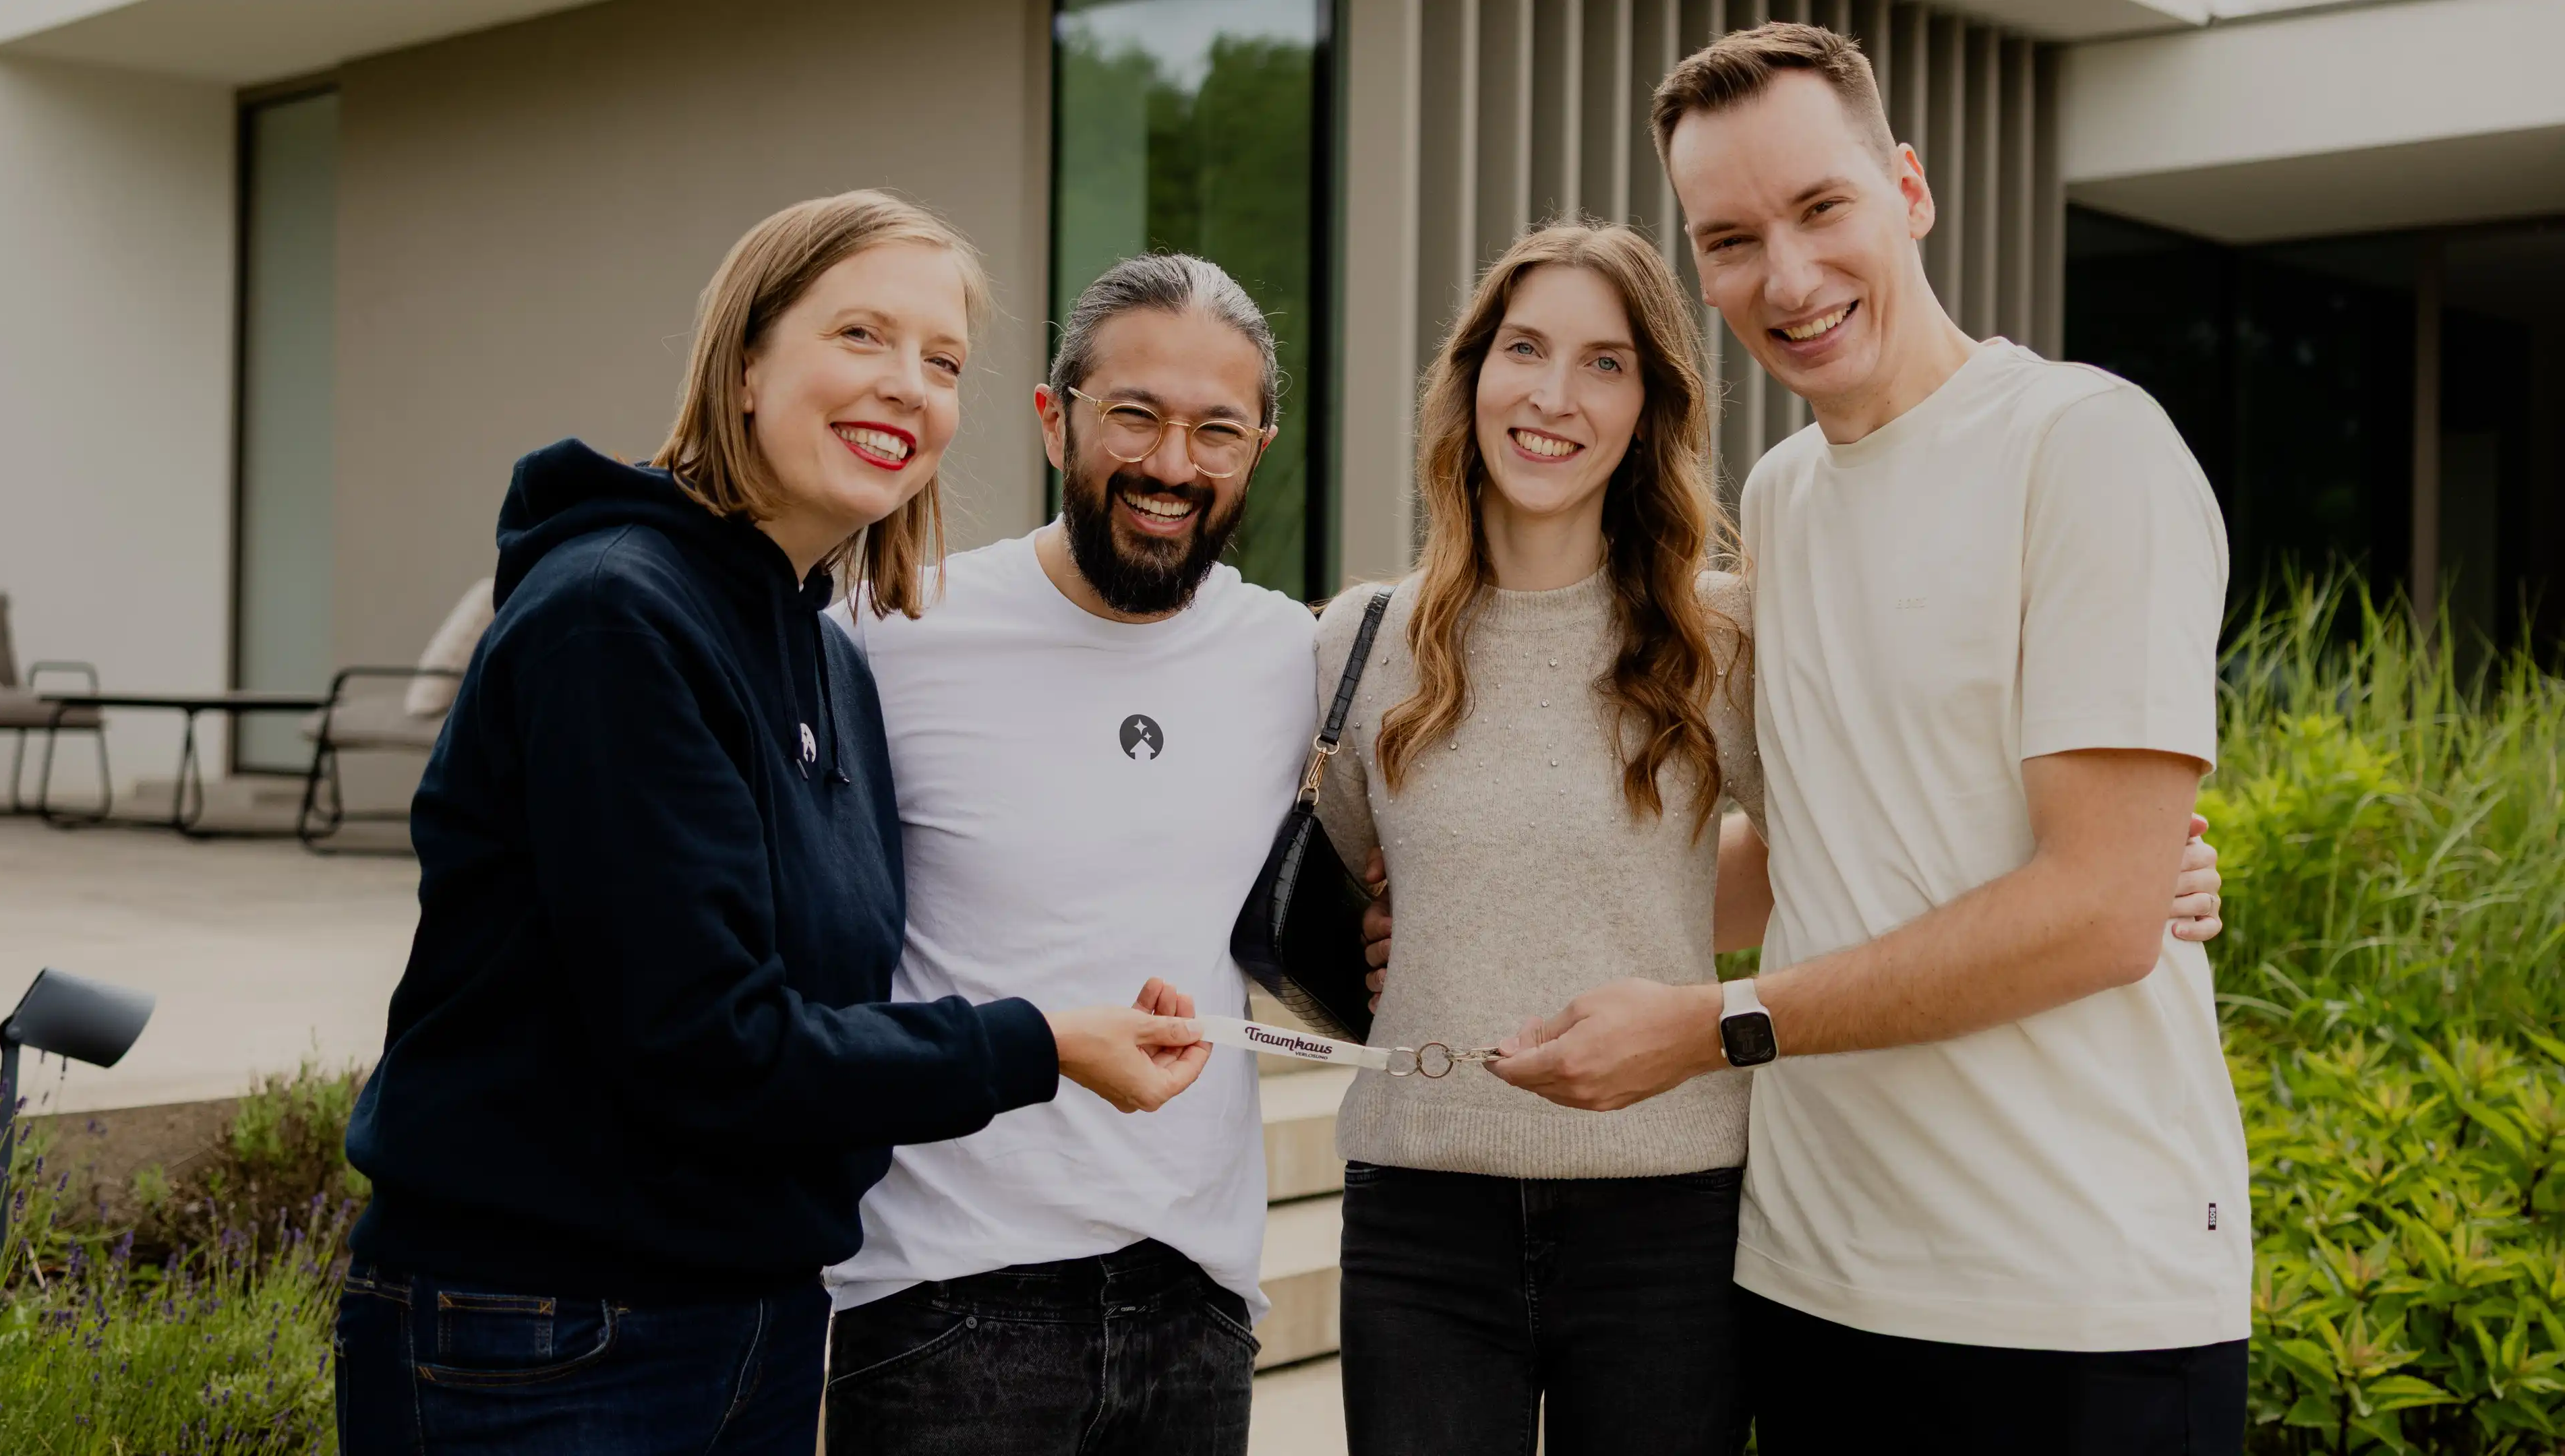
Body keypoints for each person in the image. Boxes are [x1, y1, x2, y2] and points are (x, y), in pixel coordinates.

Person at [334, 192, 1208, 1456]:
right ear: (745, 365)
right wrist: (1042, 1045)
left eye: (943, 361)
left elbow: (816, 998)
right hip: (542, 1332)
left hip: (755, 1318)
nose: (908, 384)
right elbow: (710, 1045)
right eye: (862, 335)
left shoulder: (830, 654)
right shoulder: (612, 618)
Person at [1490, 24, 2251, 1454]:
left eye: (1821, 208)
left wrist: (1717, 1026)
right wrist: (1475, 902)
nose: (1786, 279)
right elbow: (1810, 848)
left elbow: (2102, 911)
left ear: (1908, 188)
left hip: (2071, 1299)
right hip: (1813, 1282)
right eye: (1731, 240)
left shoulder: (2087, 446)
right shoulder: (1782, 501)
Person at [821, 253, 1313, 1455]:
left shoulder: (1290, 657)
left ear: (1258, 449)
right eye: (1134, 414)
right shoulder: (890, 632)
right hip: (941, 1302)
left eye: (1217, 430)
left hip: (1196, 1303)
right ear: (1056, 420)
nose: (1172, 464)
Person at [1312, 222, 1765, 1455]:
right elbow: (1337, 888)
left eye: (1604, 363)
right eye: (1524, 349)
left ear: (1649, 407)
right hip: (1419, 1217)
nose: (1554, 396)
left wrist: (2146, 865)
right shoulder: (1362, 640)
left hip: (1669, 1216)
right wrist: (1403, 930)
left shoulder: (1722, 639)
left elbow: (1843, 850)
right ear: (1471, 377)